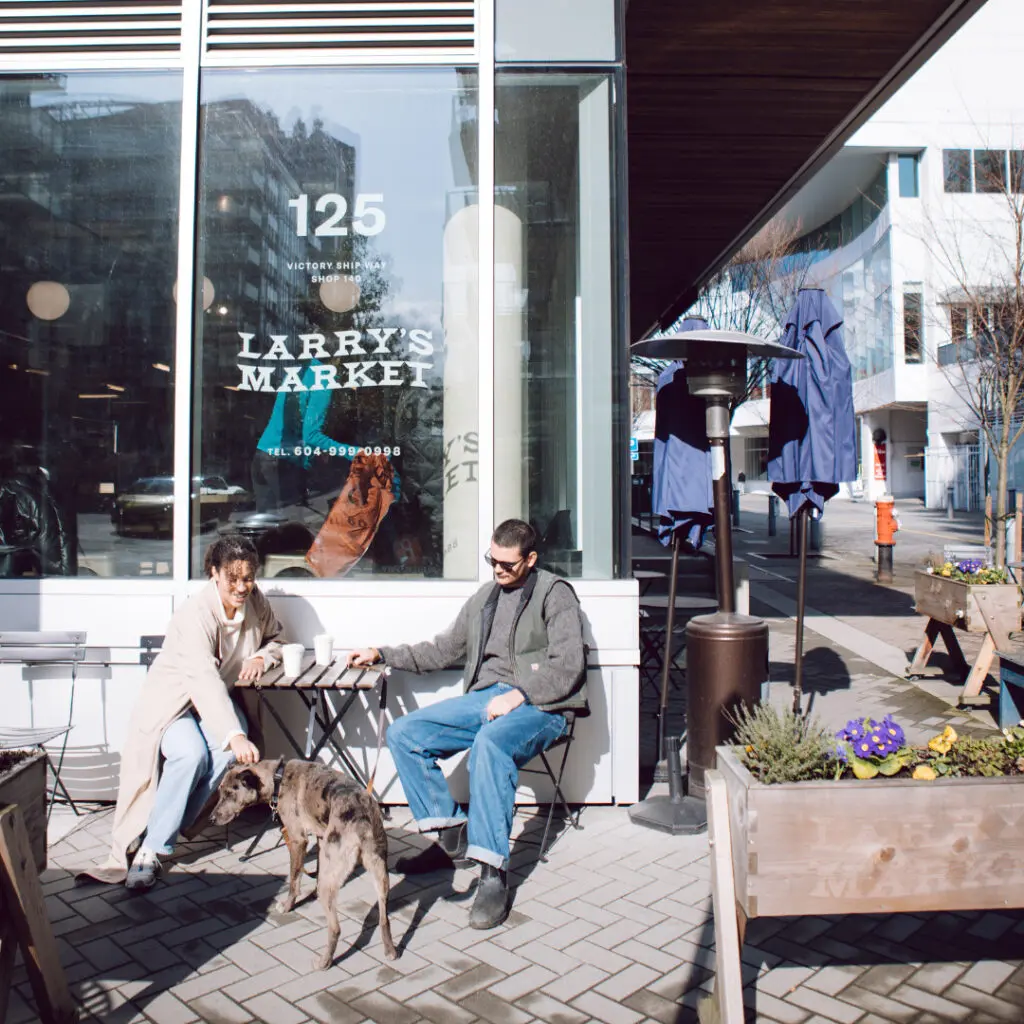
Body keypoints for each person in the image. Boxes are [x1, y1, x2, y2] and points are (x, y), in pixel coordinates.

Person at [348, 518, 587, 929]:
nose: (497, 570)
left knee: (491, 745)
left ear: (530, 560)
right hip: (487, 700)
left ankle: (492, 872)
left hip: (541, 708)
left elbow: (568, 666)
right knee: (406, 733)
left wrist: (521, 694)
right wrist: (382, 653)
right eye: (492, 560)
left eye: (507, 564)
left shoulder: (555, 594)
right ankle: (451, 830)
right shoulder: (484, 599)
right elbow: (442, 650)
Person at [79, 534, 285, 889]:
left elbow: (276, 638)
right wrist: (234, 734)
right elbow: (202, 678)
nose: (241, 586)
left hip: (214, 703)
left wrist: (261, 657)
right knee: (191, 755)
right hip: (173, 702)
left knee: (220, 755)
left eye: (248, 577)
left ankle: (168, 826)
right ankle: (150, 851)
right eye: (232, 578)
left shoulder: (256, 603)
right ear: (214, 573)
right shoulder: (195, 614)